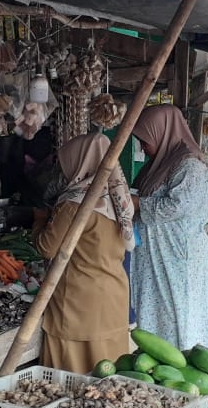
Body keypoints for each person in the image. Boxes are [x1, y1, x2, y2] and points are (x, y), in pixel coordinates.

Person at [34, 132, 135, 373]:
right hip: (114, 296)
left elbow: (47, 247)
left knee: (73, 375)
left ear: (78, 161)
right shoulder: (119, 198)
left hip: (79, 303)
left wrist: (38, 220)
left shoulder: (75, 202)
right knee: (109, 373)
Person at [129, 104, 208, 351]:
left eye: (145, 141)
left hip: (178, 259)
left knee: (180, 315)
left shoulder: (189, 166)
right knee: (156, 317)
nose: (142, 148)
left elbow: (178, 206)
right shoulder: (158, 165)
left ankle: (186, 366)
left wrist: (137, 203)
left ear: (162, 132)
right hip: (156, 258)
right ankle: (157, 366)